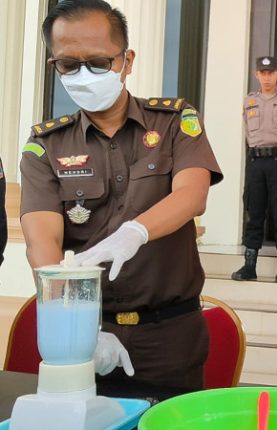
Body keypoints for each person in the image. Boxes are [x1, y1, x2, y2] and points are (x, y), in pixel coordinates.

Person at [20, 0, 222, 396]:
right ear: (54, 65)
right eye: (68, 65)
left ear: (126, 61)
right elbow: (42, 240)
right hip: (89, 333)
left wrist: (136, 232)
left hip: (170, 334)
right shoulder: (45, 145)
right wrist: (78, 328)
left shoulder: (174, 123)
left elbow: (192, 194)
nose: (84, 75)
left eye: (98, 63)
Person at [232, 56, 277, 283]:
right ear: (257, 75)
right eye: (263, 73)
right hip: (256, 162)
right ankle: (249, 265)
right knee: (254, 211)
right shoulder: (249, 101)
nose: (267, 77)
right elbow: (247, 133)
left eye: (271, 73)